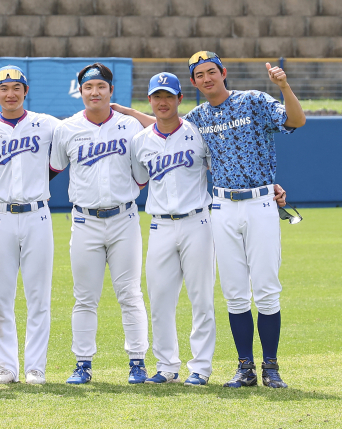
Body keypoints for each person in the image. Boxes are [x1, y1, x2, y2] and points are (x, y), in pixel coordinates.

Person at [113, 52, 303, 388]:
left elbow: (296, 121)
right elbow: (164, 126)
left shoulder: (253, 100)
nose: (206, 78)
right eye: (199, 74)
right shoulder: (198, 118)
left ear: (223, 72)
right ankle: (245, 368)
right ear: (193, 82)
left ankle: (270, 367)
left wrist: (285, 86)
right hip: (223, 206)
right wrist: (128, 112)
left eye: (211, 72)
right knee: (234, 293)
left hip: (259, 202)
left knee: (266, 288)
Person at [49, 63, 150, 385]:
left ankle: (137, 361)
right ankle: (82, 363)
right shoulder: (66, 129)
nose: (95, 92)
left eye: (101, 87)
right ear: (80, 92)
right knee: (84, 296)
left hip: (124, 218)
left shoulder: (130, 126)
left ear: (110, 91)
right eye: (88, 87)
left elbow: (142, 175)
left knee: (130, 294)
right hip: (85, 221)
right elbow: (54, 166)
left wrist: (130, 112)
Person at [0, 65, 60, 385]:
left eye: (16, 87)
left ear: (25, 91)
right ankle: (7, 367)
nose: (10, 93)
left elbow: (76, 136)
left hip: (37, 215)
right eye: (4, 89)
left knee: (38, 297)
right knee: (0, 298)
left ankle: (35, 367)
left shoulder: (45, 124)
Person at [130, 72, 216, 386]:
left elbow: (219, 167)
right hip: (160, 226)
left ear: (180, 99)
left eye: (169, 96)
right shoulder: (140, 141)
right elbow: (140, 179)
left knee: (201, 299)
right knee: (160, 299)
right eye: (157, 96)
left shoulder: (198, 133)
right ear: (149, 100)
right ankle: (167, 366)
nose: (162, 102)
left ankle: (201, 367)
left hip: (197, 221)